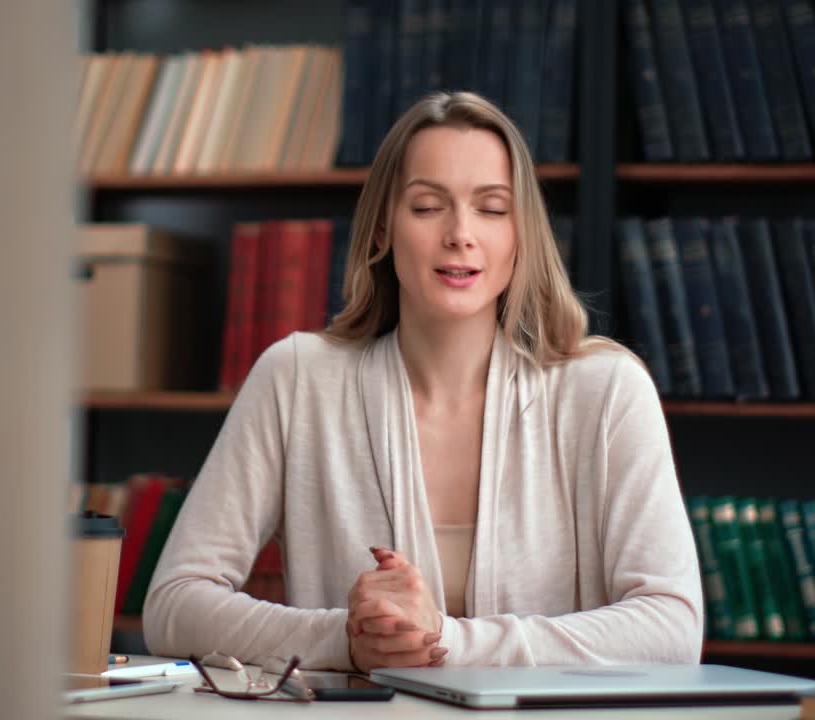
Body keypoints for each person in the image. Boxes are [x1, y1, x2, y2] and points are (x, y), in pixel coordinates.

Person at [142, 91, 703, 672]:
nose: (460, 233)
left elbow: (673, 629)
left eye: (491, 208)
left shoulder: (607, 391)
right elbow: (174, 607)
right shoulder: (296, 378)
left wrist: (445, 640)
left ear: (521, 235)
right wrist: (346, 640)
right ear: (383, 229)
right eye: (429, 206)